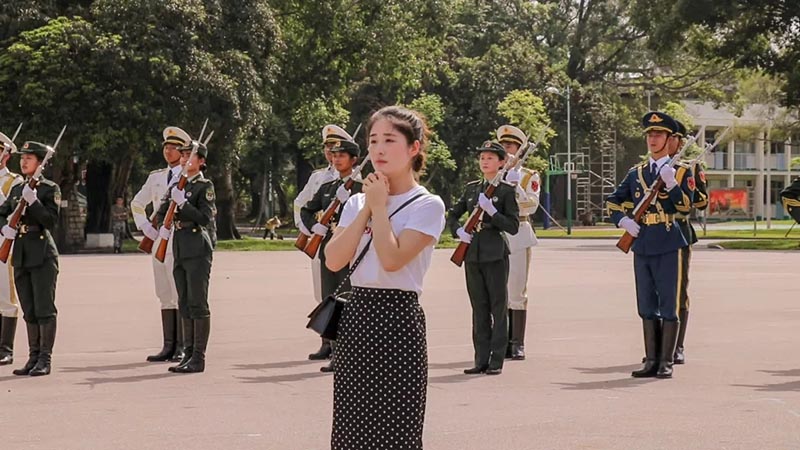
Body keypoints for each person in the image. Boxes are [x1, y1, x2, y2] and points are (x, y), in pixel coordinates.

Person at [325, 106, 445, 450]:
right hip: (358, 316)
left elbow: (392, 259)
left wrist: (379, 208)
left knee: (396, 427)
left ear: (413, 148)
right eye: (373, 140)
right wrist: (366, 206)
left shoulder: (427, 205)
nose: (378, 149)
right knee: (352, 427)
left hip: (398, 319)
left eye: (389, 140)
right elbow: (335, 260)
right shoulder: (358, 201)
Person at [606, 111, 694, 379]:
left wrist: (671, 184)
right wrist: (623, 221)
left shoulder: (680, 171)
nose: (653, 139)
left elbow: (685, 206)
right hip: (642, 241)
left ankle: (666, 360)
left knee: (668, 302)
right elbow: (613, 201)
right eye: (650, 135)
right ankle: (651, 359)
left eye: (659, 135)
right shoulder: (637, 173)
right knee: (646, 303)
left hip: (668, 239)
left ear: (669, 140)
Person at [447, 140, 519, 375]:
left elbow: (513, 226)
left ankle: (496, 360)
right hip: (473, 252)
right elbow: (454, 214)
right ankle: (480, 359)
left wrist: (493, 212)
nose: (484, 161)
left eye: (490, 158)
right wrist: (458, 231)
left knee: (498, 308)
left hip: (495, 251)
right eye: (482, 158)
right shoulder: (471, 188)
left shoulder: (506, 191)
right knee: (479, 308)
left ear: (501, 163)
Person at [300, 139, 363, 373]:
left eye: (342, 156)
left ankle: (353, 354)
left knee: (351, 303)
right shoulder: (328, 187)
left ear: (353, 160)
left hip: (351, 252)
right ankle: (336, 353)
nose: (336, 159)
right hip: (329, 250)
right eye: (334, 155)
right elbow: (307, 209)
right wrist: (314, 227)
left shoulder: (361, 188)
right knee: (331, 300)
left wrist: (350, 204)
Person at [0, 141, 60, 376]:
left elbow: (50, 221)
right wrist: (6, 229)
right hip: (21, 253)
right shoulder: (17, 190)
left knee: (44, 308)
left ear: (40, 163)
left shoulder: (48, 188)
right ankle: (33, 357)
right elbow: (2, 213)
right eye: (23, 158)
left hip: (43, 253)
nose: (23, 161)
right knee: (29, 309)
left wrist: (33, 202)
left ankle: (45, 359)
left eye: (29, 158)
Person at [156, 141, 216, 374]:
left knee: (197, 303)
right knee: (183, 302)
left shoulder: (204, 185)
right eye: (182, 155)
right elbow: (162, 212)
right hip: (180, 245)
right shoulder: (177, 184)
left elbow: (205, 218)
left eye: (190, 156)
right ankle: (187, 354)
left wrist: (184, 203)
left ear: (201, 161)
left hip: (197, 247)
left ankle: (198, 358)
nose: (184, 159)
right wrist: (165, 218)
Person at [131, 127, 189, 363]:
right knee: (164, 293)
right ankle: (168, 346)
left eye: (173, 147)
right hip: (158, 241)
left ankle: (184, 346)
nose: (168, 150)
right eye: (166, 147)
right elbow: (137, 202)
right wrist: (145, 226)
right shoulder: (155, 177)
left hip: (179, 238)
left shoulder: (187, 175)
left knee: (179, 292)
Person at [294, 125, 349, 361]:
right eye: (328, 148)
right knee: (324, 293)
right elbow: (301, 204)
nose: (332, 153)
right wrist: (309, 229)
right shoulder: (319, 178)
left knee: (344, 294)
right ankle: (327, 342)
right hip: (322, 240)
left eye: (337, 149)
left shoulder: (352, 179)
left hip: (344, 241)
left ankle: (342, 347)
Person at [497, 125, 541, 360]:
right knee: (498, 290)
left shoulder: (528, 176)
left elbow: (531, 206)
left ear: (520, 149)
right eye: (503, 146)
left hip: (518, 233)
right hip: (496, 234)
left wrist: (516, 188)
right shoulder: (494, 173)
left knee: (515, 290)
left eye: (511, 146)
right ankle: (501, 341)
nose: (507, 150)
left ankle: (516, 343)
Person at [667, 120, 708, 364]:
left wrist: (685, 189)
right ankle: (660, 347)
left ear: (680, 141)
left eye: (672, 137)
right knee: (658, 292)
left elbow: (702, 202)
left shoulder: (690, 168)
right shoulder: (648, 168)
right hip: (655, 231)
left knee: (679, 290)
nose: (667, 141)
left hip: (679, 230)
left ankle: (677, 345)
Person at [0, 132, 24, 366]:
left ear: (5, 156)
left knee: (6, 296)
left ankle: (5, 348)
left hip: (2, 243)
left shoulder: (13, 181)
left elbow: (10, 210)